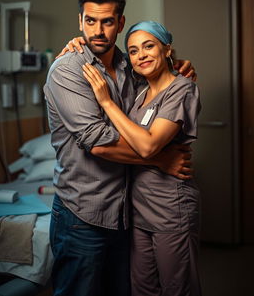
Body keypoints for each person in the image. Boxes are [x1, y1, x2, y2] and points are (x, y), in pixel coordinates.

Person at [44, 0, 196, 296]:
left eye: (107, 22)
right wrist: (159, 158)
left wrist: (180, 65)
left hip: (125, 212)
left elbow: (163, 82)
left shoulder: (131, 65)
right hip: (83, 214)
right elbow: (97, 142)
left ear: (121, 23)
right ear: (80, 21)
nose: (97, 31)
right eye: (90, 21)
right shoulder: (69, 69)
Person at [82, 20, 202, 296]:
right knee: (142, 288)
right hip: (139, 208)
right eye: (133, 51)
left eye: (149, 46)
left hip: (171, 208)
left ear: (167, 49)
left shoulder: (182, 89)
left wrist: (107, 103)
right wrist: (75, 43)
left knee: (177, 288)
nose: (141, 56)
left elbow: (148, 147)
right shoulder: (141, 92)